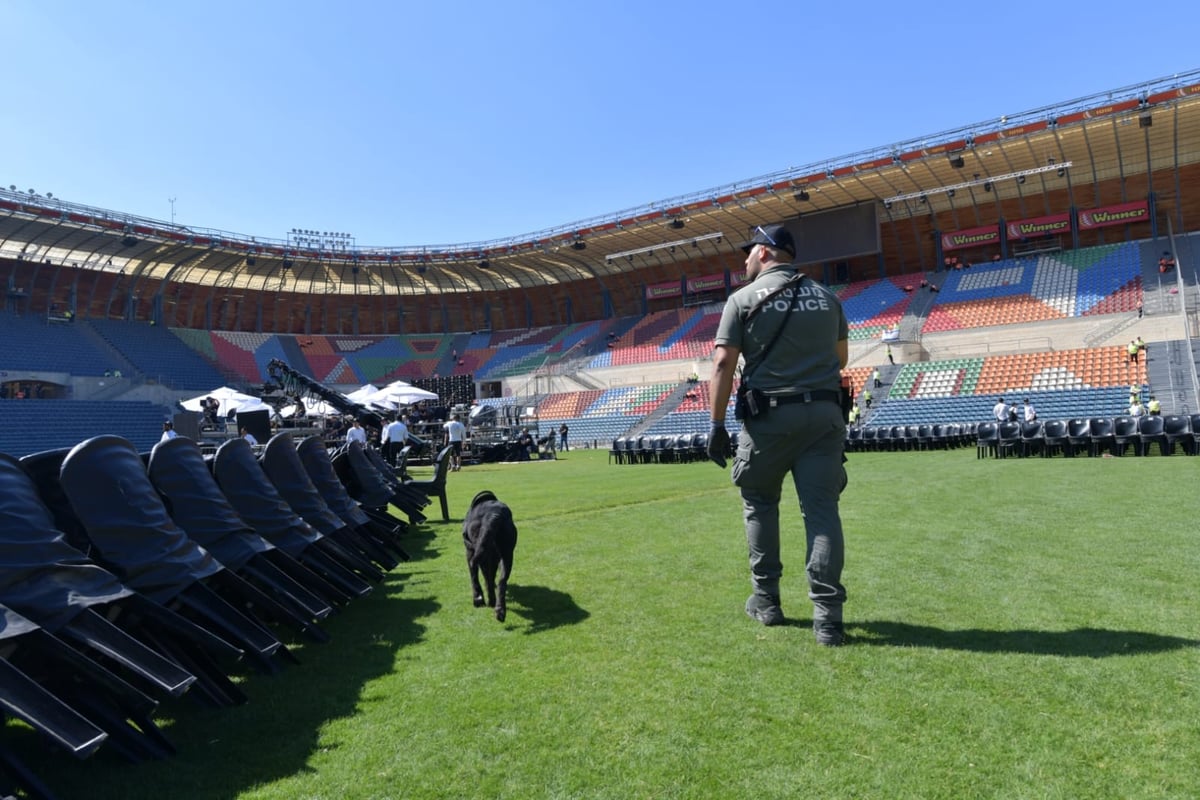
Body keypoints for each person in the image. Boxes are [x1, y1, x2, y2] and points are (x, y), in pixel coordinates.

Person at [707, 223, 849, 647]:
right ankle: (828, 620)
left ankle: (766, 601)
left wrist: (715, 426)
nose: (745, 259)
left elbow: (721, 365)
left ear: (766, 252)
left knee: (760, 503)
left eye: (748, 252)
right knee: (822, 513)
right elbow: (839, 359)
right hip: (824, 417)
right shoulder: (828, 297)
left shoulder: (741, 300)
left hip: (769, 419)